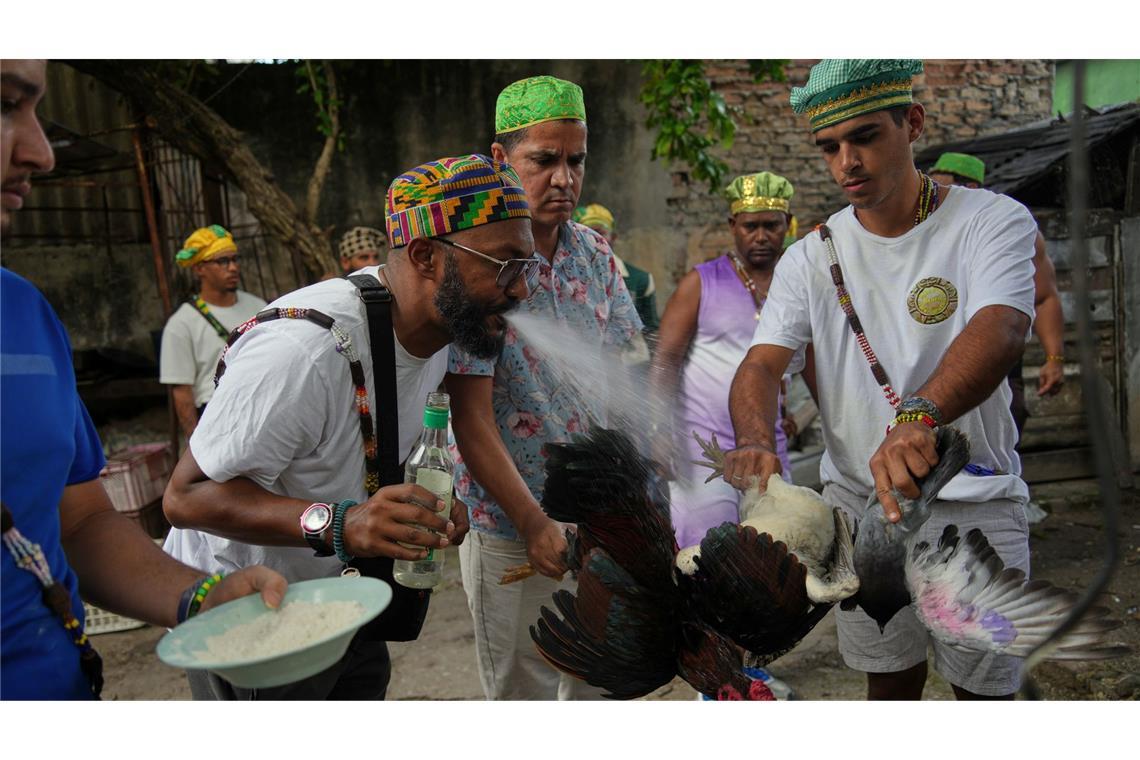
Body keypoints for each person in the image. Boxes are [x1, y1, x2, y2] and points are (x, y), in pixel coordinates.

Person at [162, 153, 537, 700]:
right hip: (245, 612)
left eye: (526, 267)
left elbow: (357, 451)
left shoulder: (434, 332)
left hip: (336, 598)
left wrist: (411, 505)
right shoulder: (306, 349)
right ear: (426, 255)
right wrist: (342, 523)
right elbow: (185, 496)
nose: (521, 289)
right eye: (504, 264)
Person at [724, 60, 1038, 700]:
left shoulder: (991, 220)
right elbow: (761, 364)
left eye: (864, 137)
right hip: (862, 515)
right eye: (830, 147)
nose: (847, 162)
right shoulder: (810, 255)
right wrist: (755, 438)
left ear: (913, 122)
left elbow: (1002, 327)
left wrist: (917, 419)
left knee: (988, 697)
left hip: (973, 503)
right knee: (888, 688)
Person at [1, 58, 286, 701]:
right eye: (4, 104)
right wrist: (204, 454)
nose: (42, 153)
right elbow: (184, 396)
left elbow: (77, 520)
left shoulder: (24, 314)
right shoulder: (185, 324)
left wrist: (199, 595)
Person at [446, 75, 642, 700]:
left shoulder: (595, 253)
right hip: (508, 525)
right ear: (501, 160)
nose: (564, 178)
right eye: (544, 160)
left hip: (593, 516)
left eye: (576, 160)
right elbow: (469, 418)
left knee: (596, 681)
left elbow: (618, 380)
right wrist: (531, 523)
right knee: (520, 688)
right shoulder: (475, 265)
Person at [650, 171, 797, 549]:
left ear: (788, 223)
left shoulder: (796, 284)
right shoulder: (701, 282)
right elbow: (666, 360)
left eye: (771, 225)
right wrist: (659, 431)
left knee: (775, 552)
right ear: (733, 225)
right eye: (751, 226)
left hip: (769, 450)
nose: (761, 236)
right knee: (706, 552)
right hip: (702, 450)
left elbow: (806, 364)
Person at [928, 151, 1066, 440]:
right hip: (929, 373)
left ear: (971, 188)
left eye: (941, 185)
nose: (932, 193)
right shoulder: (921, 231)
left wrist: (1054, 358)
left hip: (997, 373)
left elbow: (1044, 297)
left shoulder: (1007, 230)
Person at [159, 225, 266, 438]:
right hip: (217, 415)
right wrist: (196, 443)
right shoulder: (181, 324)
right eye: (223, 261)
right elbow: (182, 392)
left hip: (262, 405)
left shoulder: (258, 307)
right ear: (199, 268)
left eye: (235, 259)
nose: (233, 267)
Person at [574, 203, 659, 334]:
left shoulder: (640, 280)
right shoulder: (567, 275)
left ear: (613, 238)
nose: (594, 239)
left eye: (600, 233)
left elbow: (651, 330)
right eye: (587, 233)